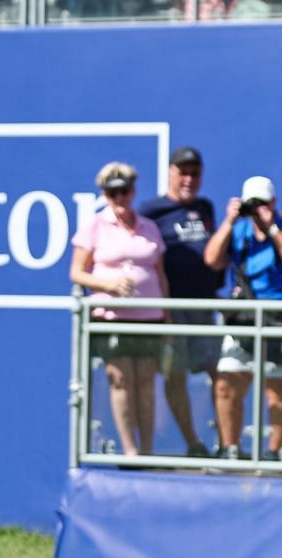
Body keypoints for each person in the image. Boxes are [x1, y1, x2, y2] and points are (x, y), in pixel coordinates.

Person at [204, 175, 282, 461]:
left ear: (275, 203)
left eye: (263, 203)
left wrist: (272, 227)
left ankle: (275, 454)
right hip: (244, 319)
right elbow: (212, 260)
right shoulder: (238, 232)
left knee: (281, 392)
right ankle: (230, 449)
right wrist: (229, 222)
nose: (258, 209)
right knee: (227, 382)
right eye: (253, 204)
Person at [69, 161, 170, 458]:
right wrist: (109, 285)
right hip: (113, 318)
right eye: (113, 194)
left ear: (133, 192)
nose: (120, 199)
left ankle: (149, 449)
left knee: (146, 383)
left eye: (125, 192)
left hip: (149, 319)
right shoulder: (94, 225)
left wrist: (168, 318)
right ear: (105, 195)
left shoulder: (149, 227)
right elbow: (77, 272)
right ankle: (131, 449)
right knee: (122, 381)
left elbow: (161, 274)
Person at [139, 146, 225, 457]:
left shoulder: (205, 207)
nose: (188, 178)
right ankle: (193, 443)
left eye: (194, 173)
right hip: (172, 310)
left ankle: (226, 443)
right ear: (170, 173)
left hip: (205, 305)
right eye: (182, 172)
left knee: (219, 372)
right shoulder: (151, 211)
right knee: (175, 376)